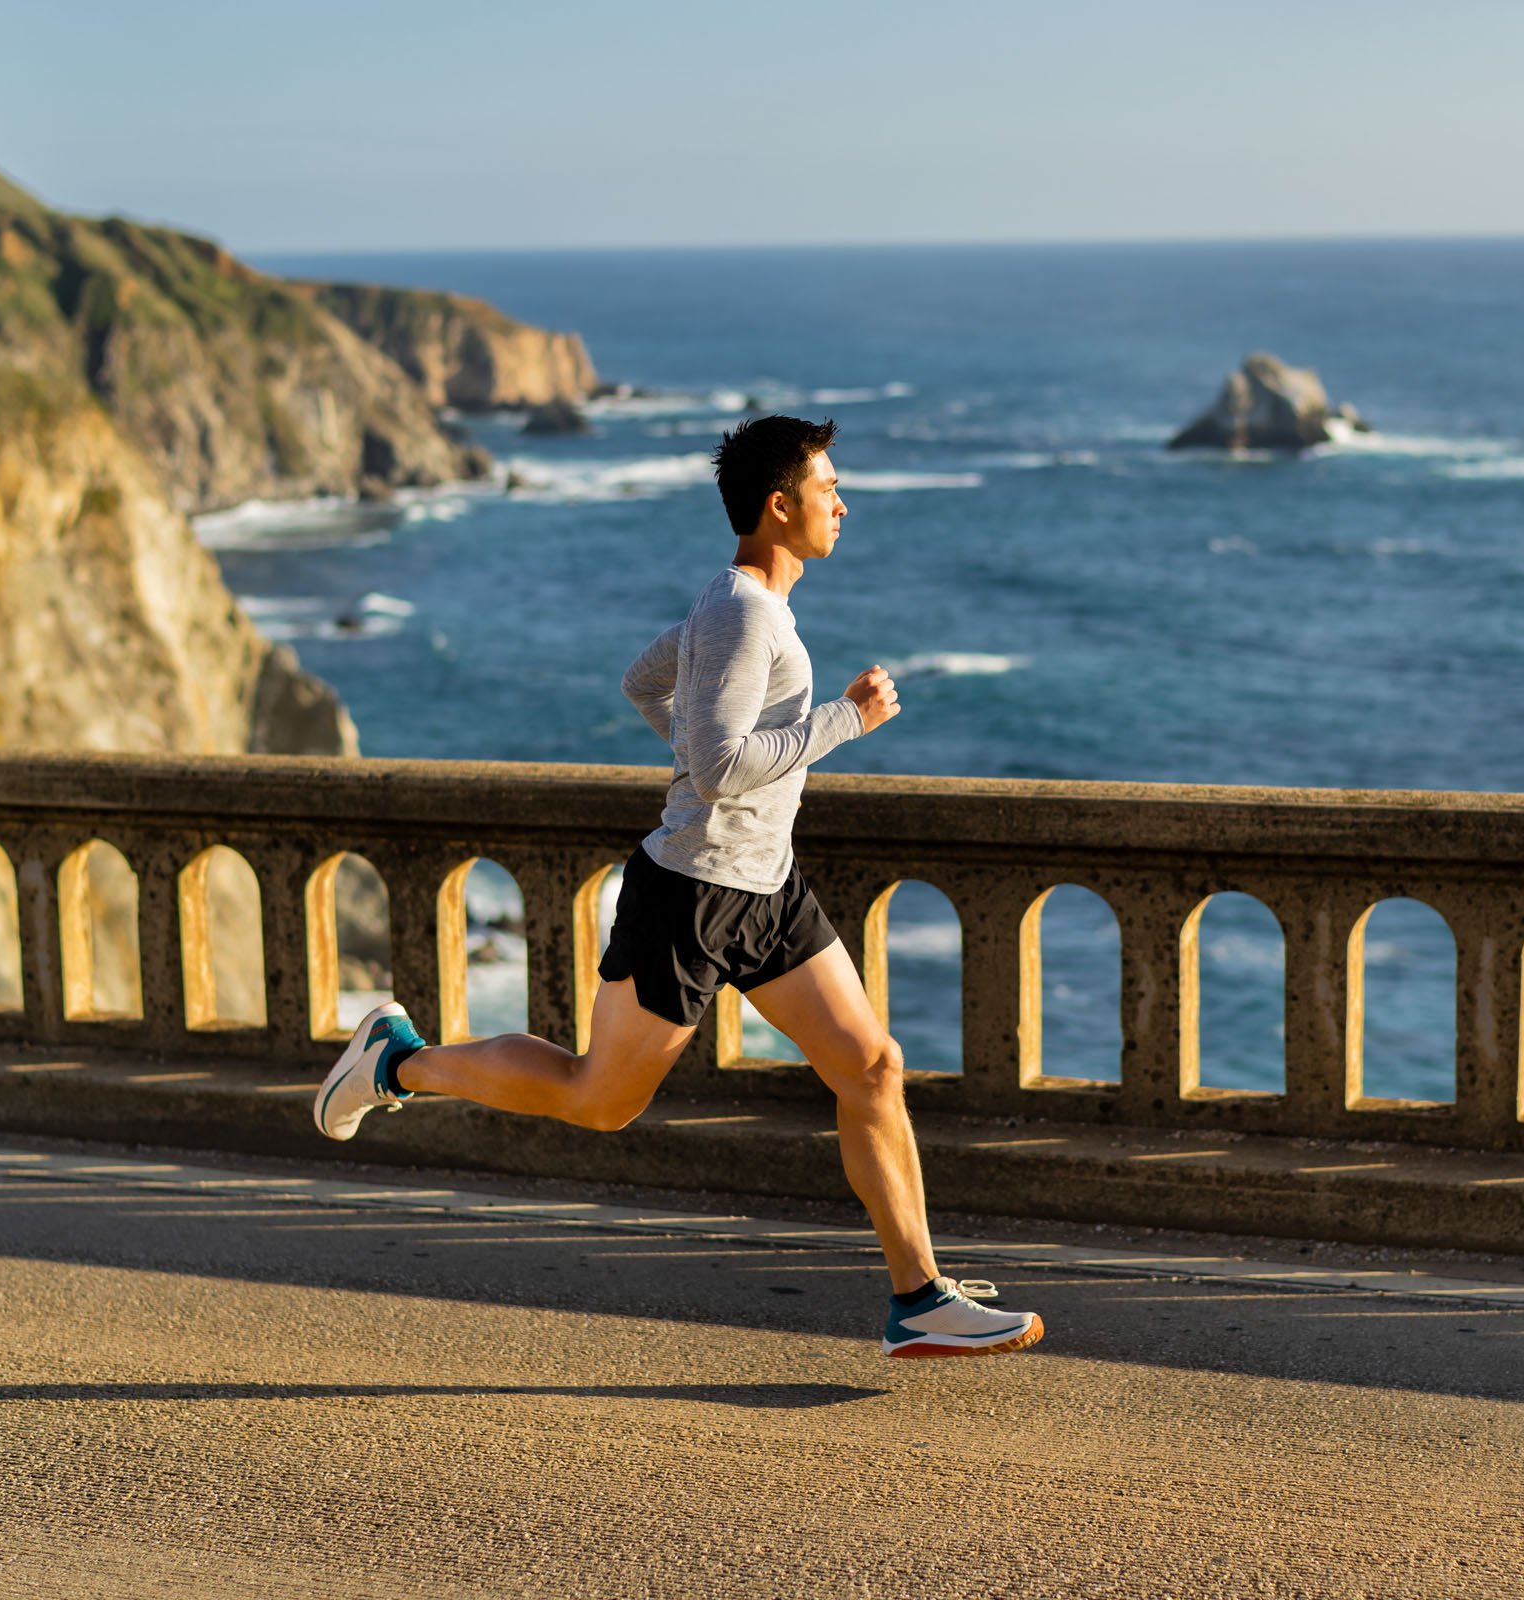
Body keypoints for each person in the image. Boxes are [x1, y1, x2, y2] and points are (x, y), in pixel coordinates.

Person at [313, 415, 1043, 1360]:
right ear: (780, 507)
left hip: (767, 891)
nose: (842, 503)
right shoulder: (742, 612)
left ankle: (919, 1297)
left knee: (872, 1066)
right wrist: (844, 722)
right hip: (693, 899)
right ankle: (396, 1062)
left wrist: (711, 749)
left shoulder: (734, 609)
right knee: (596, 1099)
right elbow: (716, 767)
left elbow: (641, 683)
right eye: (828, 488)